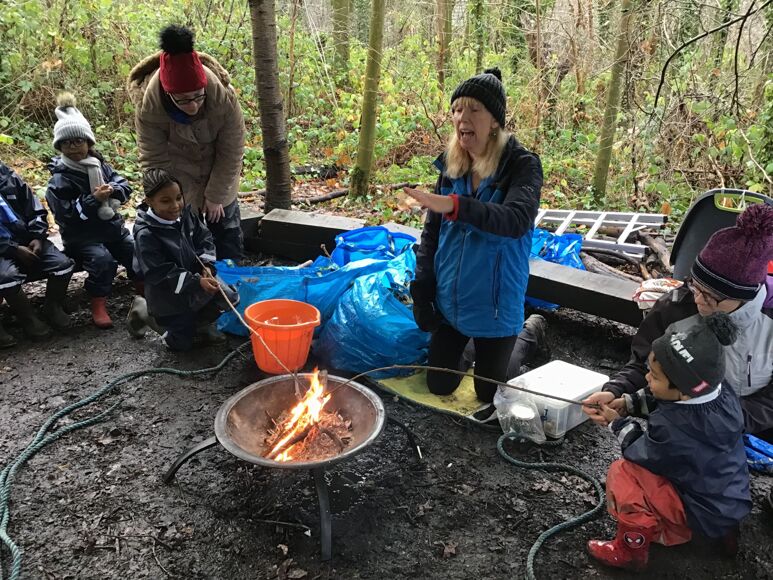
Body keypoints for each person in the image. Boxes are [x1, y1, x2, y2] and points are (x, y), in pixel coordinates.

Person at [404, 68, 547, 425]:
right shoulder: (452, 165)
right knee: (439, 385)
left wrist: (456, 206)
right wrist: (422, 288)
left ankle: (530, 331)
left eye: (474, 110)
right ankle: (468, 344)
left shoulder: (522, 165)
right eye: (457, 110)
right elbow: (431, 234)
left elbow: (514, 221)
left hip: (496, 304)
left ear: (495, 121)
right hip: (452, 299)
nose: (462, 119)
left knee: (489, 392)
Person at [583, 203, 773, 441]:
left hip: (753, 433)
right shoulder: (678, 303)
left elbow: (769, 403)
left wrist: (724, 421)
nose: (699, 301)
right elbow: (644, 363)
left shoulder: (768, 321)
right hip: (681, 420)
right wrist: (615, 390)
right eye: (697, 287)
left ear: (745, 297)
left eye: (712, 298)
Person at [588, 313, 751, 571]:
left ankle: (631, 548)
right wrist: (628, 403)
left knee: (624, 473)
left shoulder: (674, 428)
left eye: (654, 375)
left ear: (685, 391)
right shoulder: (720, 395)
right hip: (730, 501)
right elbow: (665, 397)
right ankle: (723, 534)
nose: (648, 379)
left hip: (695, 511)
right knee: (714, 480)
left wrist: (615, 422)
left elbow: (640, 452)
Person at [127, 24, 246, 260]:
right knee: (187, 241)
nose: (192, 106)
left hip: (219, 171)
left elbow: (232, 149)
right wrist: (171, 200)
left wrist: (216, 194)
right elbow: (154, 159)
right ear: (168, 93)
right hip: (178, 176)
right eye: (182, 100)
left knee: (227, 233)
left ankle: (233, 282)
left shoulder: (223, 97)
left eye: (197, 96)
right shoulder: (149, 107)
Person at [45, 93, 138, 329]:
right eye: (66, 143)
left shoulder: (100, 165)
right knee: (102, 260)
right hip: (82, 237)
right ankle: (98, 303)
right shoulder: (59, 178)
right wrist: (92, 200)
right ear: (60, 146)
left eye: (78, 141)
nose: (73, 147)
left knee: (134, 250)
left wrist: (114, 190)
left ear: (88, 142)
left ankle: (144, 293)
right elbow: (65, 217)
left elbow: (125, 185)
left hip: (111, 228)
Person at [133, 168, 238, 351]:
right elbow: (159, 272)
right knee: (180, 345)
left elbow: (204, 238)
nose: (175, 206)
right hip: (168, 295)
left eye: (178, 198)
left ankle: (202, 326)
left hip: (197, 280)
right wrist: (197, 282)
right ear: (149, 201)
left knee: (228, 297)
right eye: (165, 201)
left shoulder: (187, 215)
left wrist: (206, 265)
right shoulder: (146, 234)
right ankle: (144, 311)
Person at [0, 161, 74, 345]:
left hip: (27, 238)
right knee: (6, 277)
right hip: (3, 247)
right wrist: (12, 249)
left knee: (62, 265)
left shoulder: (9, 177)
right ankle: (28, 317)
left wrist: (37, 236)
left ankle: (52, 306)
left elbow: (35, 210)